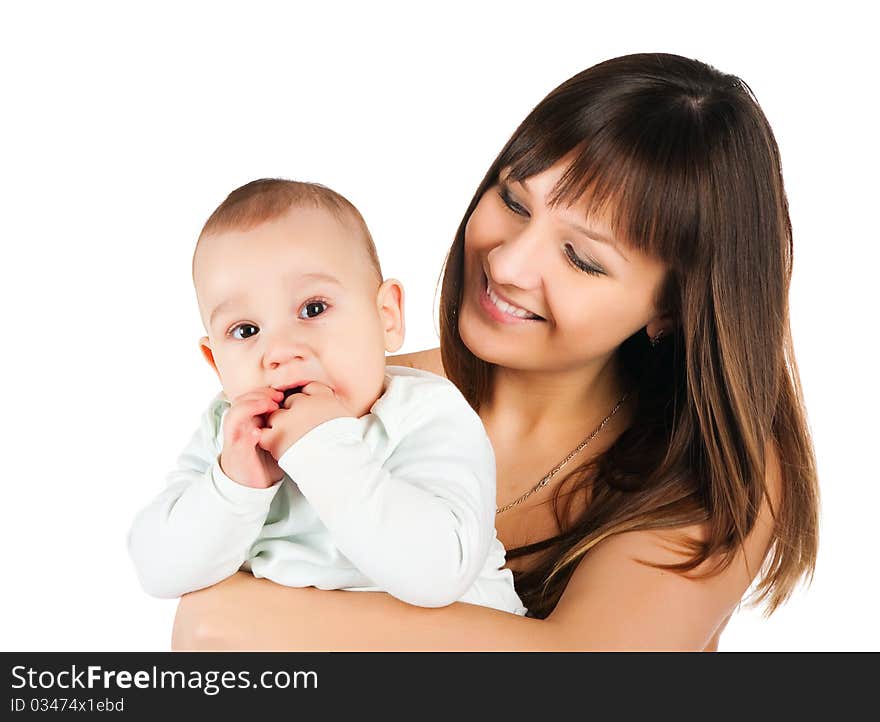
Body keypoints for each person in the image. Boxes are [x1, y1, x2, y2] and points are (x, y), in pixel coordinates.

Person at [170, 52, 820, 651]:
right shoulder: (335, 401)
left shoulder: (710, 467)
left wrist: (226, 616)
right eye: (513, 200)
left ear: (673, 306)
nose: (508, 264)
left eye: (581, 258)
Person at [127, 179, 527, 616]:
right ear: (216, 363)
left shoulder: (427, 414)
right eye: (245, 331)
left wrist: (322, 450)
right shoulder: (228, 436)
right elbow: (158, 569)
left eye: (313, 309)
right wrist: (233, 485)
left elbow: (439, 573)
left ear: (386, 317)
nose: (279, 352)